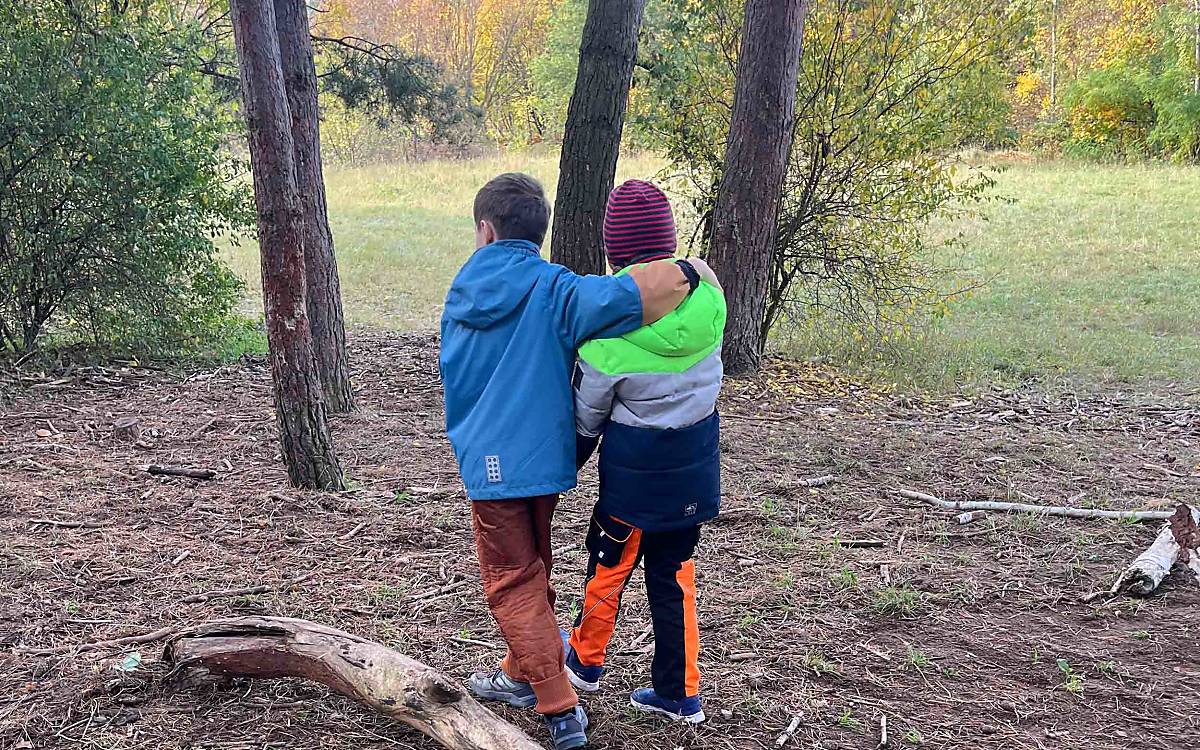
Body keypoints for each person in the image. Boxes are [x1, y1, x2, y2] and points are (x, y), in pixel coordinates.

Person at [439, 173, 701, 750]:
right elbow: (631, 296)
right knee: (531, 570)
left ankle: (559, 706)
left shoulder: (462, 290)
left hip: (491, 465)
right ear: (540, 232)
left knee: (512, 580)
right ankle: (519, 673)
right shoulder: (556, 289)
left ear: (485, 230)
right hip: (545, 462)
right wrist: (689, 270)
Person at [565, 180, 725, 725]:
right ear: (668, 241)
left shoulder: (607, 337)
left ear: (615, 254)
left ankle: (584, 661)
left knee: (608, 563)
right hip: (693, 471)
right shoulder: (710, 298)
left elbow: (586, 418)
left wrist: (565, 463)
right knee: (675, 573)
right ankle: (680, 693)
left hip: (633, 480)